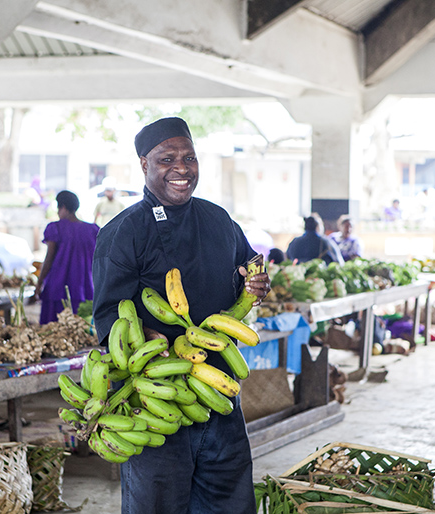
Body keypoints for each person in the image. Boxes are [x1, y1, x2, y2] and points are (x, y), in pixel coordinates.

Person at [92, 117, 270, 514]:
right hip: (158, 397)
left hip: (218, 389)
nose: (182, 169)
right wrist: (148, 337)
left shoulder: (218, 220)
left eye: (189, 157)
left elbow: (248, 269)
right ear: (144, 165)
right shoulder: (123, 232)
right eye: (166, 158)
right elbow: (107, 317)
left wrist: (256, 285)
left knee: (231, 502)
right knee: (158, 505)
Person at [36, 190, 99, 324]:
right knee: (83, 332)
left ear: (63, 207)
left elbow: (49, 259)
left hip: (57, 288)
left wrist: (39, 283)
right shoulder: (93, 230)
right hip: (85, 288)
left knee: (54, 332)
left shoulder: (55, 228)